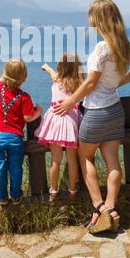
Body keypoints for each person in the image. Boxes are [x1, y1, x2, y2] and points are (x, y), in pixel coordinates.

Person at [53, 0, 130, 233]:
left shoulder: (102, 48)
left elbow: (91, 82)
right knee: (113, 161)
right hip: (115, 111)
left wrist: (71, 101)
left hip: (95, 113)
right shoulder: (125, 45)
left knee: (85, 158)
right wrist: (116, 84)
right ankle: (112, 210)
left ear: (98, 20)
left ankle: (99, 208)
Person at [0, 58, 43, 206]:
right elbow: (28, 117)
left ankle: (2, 198)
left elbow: (1, 78)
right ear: (24, 78)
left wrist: (9, 71)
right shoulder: (24, 97)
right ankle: (16, 196)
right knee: (15, 168)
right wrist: (38, 112)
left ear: (5, 74)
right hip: (15, 138)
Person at [35, 52, 85, 200]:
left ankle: (54, 190)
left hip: (55, 121)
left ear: (60, 66)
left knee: (56, 159)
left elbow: (51, 72)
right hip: (70, 122)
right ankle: (72, 189)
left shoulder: (57, 79)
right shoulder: (80, 83)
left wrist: (46, 67)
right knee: (71, 158)